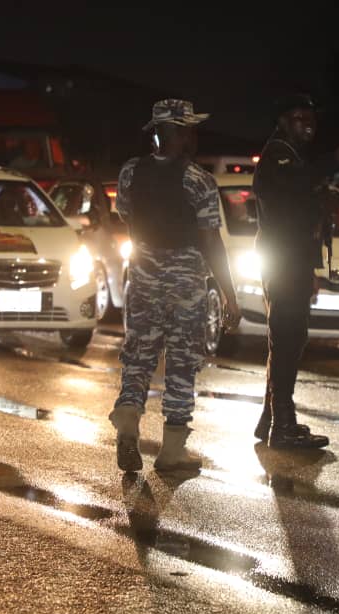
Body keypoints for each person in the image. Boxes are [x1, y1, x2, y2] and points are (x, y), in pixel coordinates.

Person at [108, 99, 241, 472]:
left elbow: (128, 218)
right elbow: (212, 242)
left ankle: (129, 418)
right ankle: (172, 451)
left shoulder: (130, 173)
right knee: (181, 363)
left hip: (144, 278)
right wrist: (230, 297)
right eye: (190, 129)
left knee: (138, 357)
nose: (194, 136)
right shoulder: (198, 180)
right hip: (185, 283)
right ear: (180, 133)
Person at [252, 93, 339, 449]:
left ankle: (273, 419)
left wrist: (312, 269)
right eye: (299, 118)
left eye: (311, 118)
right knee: (286, 338)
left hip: (293, 259)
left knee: (290, 338)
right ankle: (281, 426)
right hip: (283, 260)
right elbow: (297, 186)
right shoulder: (279, 155)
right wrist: (335, 159)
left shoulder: (295, 156)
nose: (308, 124)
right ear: (283, 121)